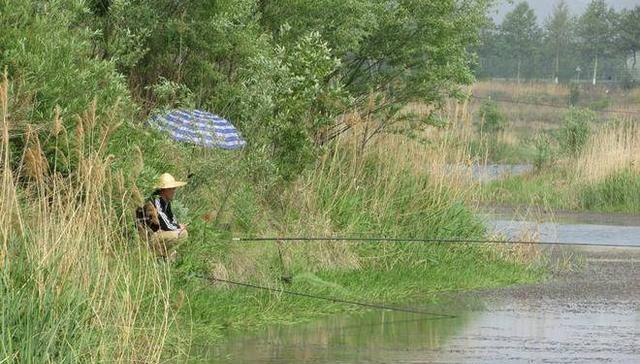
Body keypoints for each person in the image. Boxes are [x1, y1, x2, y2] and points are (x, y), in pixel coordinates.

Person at [136, 173, 189, 259]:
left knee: (183, 233)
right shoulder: (156, 200)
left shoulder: (166, 202)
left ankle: (165, 256)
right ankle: (156, 255)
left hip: (157, 234)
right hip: (148, 237)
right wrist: (178, 227)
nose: (174, 191)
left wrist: (178, 225)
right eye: (172, 188)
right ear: (164, 190)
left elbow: (171, 219)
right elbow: (165, 223)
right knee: (179, 234)